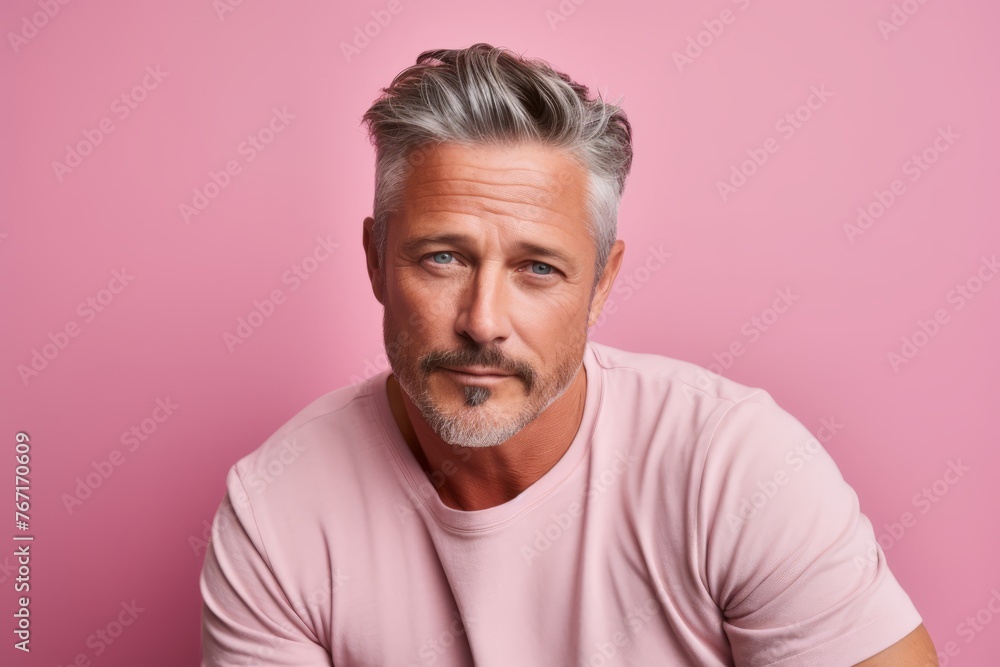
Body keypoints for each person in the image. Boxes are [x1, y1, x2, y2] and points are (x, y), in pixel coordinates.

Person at [200, 43, 939, 666]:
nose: (483, 321)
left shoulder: (736, 465)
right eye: (444, 256)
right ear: (375, 259)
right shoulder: (278, 511)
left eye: (538, 269)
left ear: (602, 284)